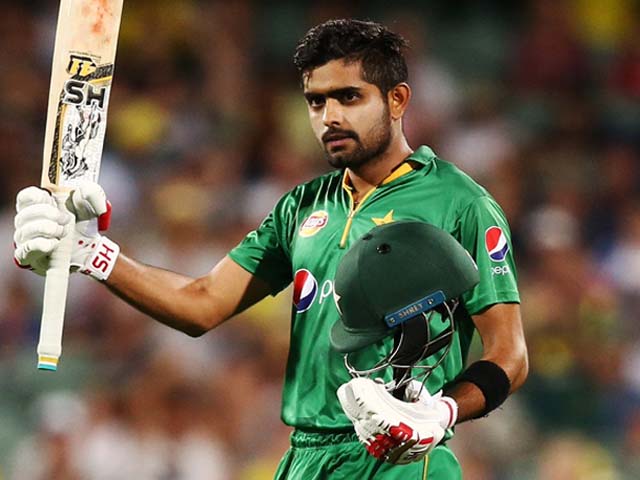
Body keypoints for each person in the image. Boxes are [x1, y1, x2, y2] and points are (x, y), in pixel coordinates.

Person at [14, 19, 528, 479]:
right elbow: (202, 303)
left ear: (397, 100)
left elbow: (510, 354)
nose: (328, 116)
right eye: (316, 100)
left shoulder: (460, 202)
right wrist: (93, 255)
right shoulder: (300, 208)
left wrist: (440, 413)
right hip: (303, 459)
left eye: (349, 97)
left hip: (402, 459)